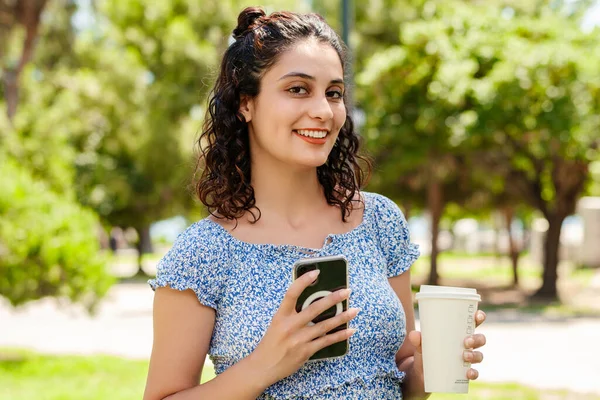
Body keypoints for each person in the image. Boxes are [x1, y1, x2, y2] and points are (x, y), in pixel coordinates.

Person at [143, 6, 487, 400]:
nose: (323, 111)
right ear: (245, 103)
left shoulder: (380, 221)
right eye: (298, 89)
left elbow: (401, 376)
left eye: (334, 93)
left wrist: (426, 368)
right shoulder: (203, 252)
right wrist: (265, 364)